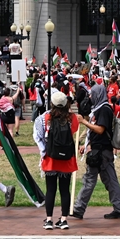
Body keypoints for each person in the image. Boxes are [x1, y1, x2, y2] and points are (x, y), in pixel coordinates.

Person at [72, 84, 120, 219]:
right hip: (100, 150)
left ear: (98, 94)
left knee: (90, 179)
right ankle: (119, 208)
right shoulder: (97, 109)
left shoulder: (104, 110)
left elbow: (101, 129)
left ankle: (78, 209)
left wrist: (84, 122)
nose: (90, 97)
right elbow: (96, 132)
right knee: (110, 180)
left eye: (92, 94)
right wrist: (87, 144)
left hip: (102, 152)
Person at [33, 90, 78, 230]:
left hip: (50, 158)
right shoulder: (73, 118)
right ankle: (64, 219)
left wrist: (43, 151)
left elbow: (38, 136)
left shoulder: (45, 118)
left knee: (50, 189)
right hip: (67, 159)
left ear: (51, 103)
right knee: (65, 190)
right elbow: (74, 131)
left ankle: (48, 219)